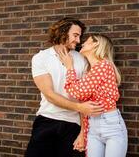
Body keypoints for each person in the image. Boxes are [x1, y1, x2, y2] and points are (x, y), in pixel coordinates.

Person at [25, 18, 104, 157]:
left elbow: (85, 96)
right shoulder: (41, 58)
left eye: (80, 36)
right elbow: (49, 94)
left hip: (73, 125)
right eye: (75, 35)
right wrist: (80, 107)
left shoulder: (81, 59)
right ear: (62, 32)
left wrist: (83, 132)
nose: (78, 41)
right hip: (47, 120)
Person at [57, 33, 128, 157]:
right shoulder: (89, 72)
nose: (82, 43)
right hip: (92, 126)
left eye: (87, 41)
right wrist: (83, 134)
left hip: (111, 125)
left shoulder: (104, 65)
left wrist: (69, 67)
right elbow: (83, 105)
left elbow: (77, 92)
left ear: (95, 44)